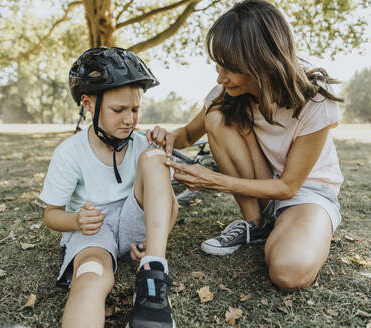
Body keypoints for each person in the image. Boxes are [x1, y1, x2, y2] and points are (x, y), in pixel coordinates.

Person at [147, 0, 344, 291]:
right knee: (215, 117)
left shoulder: (315, 102)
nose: (219, 76)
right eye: (218, 63)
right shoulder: (225, 93)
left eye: (229, 67)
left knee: (289, 272)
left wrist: (215, 181)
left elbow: (289, 187)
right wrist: (167, 137)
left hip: (306, 194)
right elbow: (188, 134)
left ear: (261, 62)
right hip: (261, 184)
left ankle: (293, 231)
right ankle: (256, 224)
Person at [40, 47, 178, 328]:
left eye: (135, 109)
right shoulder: (69, 153)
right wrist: (76, 220)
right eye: (118, 110)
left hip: (132, 221)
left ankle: (154, 272)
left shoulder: (142, 144)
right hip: (92, 230)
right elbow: (51, 215)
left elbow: (170, 206)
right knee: (90, 275)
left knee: (152, 157)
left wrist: (152, 243)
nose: (129, 119)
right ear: (88, 104)